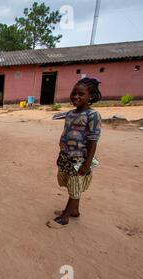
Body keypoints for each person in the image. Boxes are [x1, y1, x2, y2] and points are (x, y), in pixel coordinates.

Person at [47, 77, 102, 229]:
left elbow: (93, 141)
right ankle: (74, 211)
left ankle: (65, 217)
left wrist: (87, 163)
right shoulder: (70, 114)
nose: (76, 96)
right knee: (70, 183)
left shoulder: (93, 115)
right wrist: (61, 153)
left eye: (81, 94)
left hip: (79, 158)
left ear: (90, 96)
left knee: (75, 184)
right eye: (74, 93)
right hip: (66, 155)